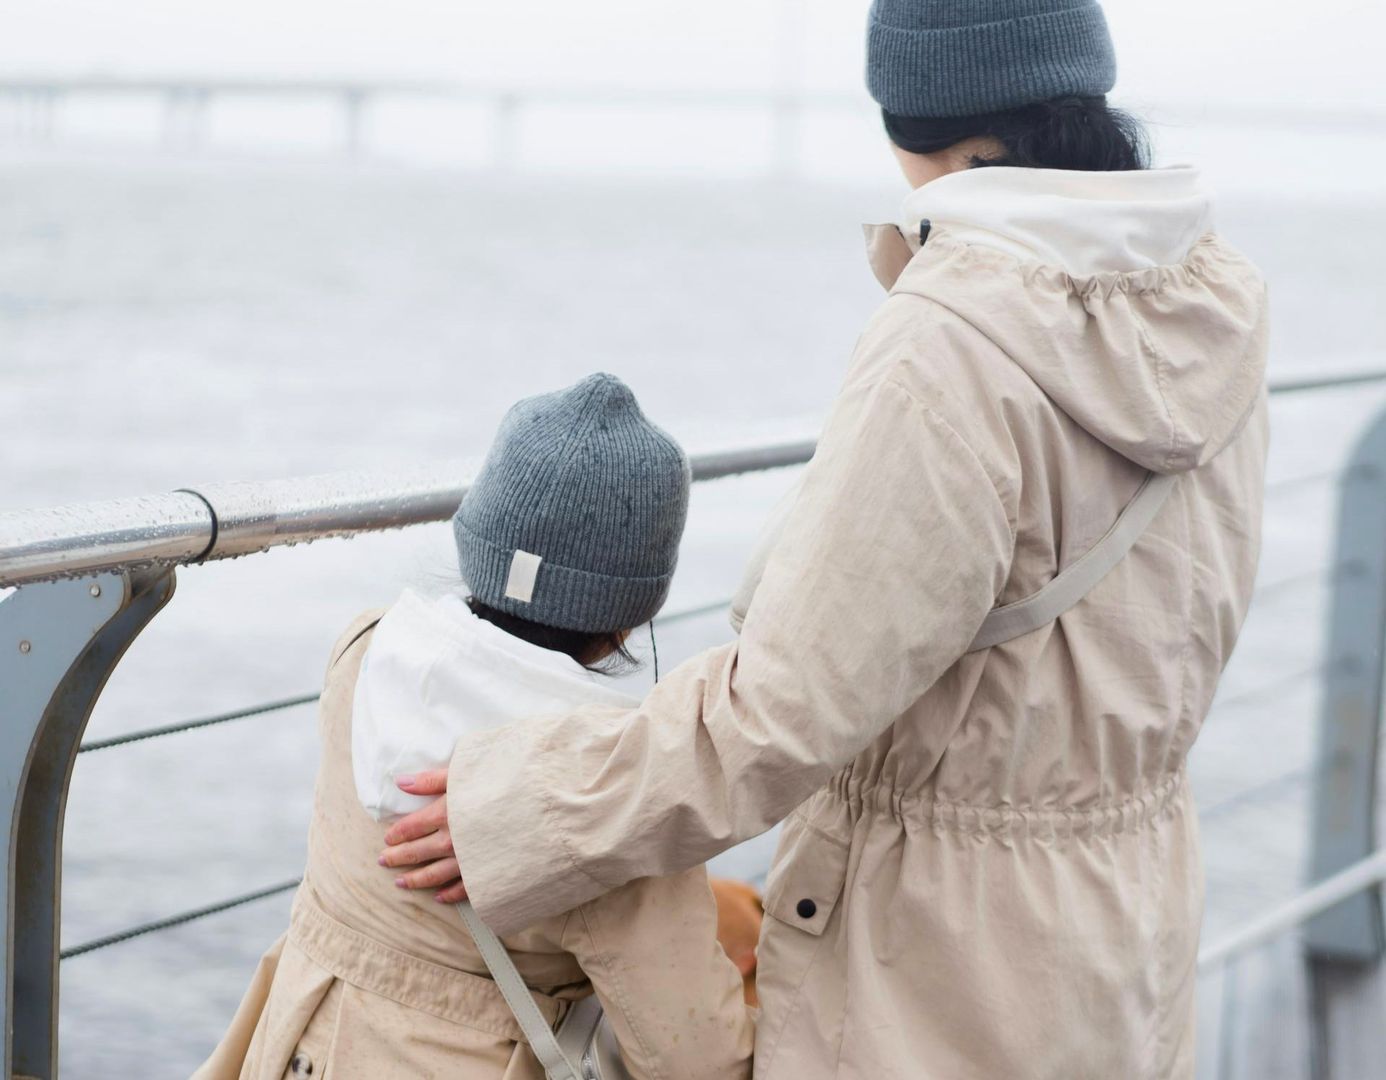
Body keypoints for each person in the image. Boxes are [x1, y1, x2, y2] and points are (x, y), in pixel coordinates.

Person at [381, 1, 1271, 1075]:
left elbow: (780, 712)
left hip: (940, 959)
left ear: (903, 107)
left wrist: (521, 814)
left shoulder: (953, 347)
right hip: (1123, 919)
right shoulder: (1204, 304)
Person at [194, 374, 754, 1079]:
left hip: (299, 1040)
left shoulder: (365, 652)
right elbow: (695, 1055)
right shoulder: (611, 787)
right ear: (632, 613)